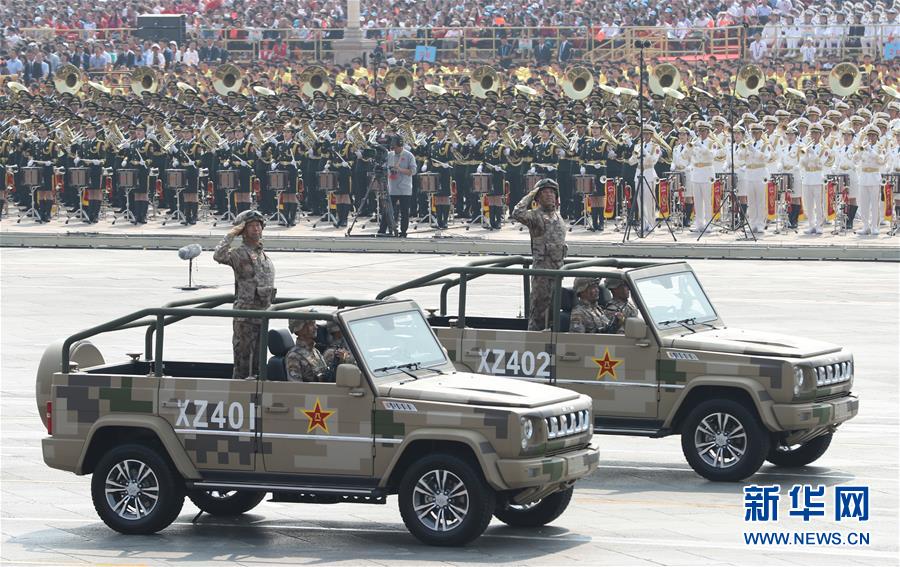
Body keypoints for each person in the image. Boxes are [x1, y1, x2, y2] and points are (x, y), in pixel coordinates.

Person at [214, 210, 276, 379]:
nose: (256, 229)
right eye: (251, 226)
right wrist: (231, 234)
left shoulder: (262, 254)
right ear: (243, 230)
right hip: (245, 318)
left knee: (257, 364)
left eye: (258, 225)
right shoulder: (240, 253)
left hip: (262, 315)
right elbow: (218, 255)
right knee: (243, 363)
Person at [513, 178, 567, 331]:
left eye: (552, 192)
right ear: (538, 198)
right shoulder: (535, 216)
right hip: (542, 274)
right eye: (544, 193)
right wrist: (531, 194)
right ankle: (533, 341)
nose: (549, 195)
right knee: (538, 312)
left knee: (553, 311)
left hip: (557, 271)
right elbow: (517, 213)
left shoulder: (558, 217)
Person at [382, 135, 416, 237]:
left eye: (395, 147)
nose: (394, 149)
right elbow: (384, 167)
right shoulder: (390, 155)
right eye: (393, 147)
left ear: (400, 146)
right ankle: (384, 229)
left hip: (404, 188)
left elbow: (413, 171)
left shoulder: (409, 155)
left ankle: (403, 231)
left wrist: (400, 169)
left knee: (404, 212)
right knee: (387, 210)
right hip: (392, 188)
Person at [285, 317, 332, 382]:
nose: (316, 327)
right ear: (300, 328)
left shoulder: (315, 351)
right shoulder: (294, 356)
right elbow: (296, 387)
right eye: (311, 324)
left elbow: (325, 373)